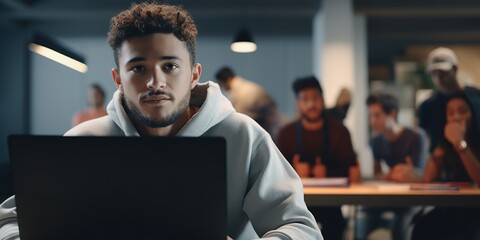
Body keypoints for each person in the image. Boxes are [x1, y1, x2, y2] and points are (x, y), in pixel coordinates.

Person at [0, 3, 322, 240]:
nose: (155, 82)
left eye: (170, 66)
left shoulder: (243, 136)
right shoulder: (83, 141)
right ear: (117, 78)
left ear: (194, 74)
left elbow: (302, 229)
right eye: (138, 68)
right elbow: (10, 221)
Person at [275, 76, 357, 240]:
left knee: (335, 226)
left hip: (333, 203)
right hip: (297, 204)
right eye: (305, 99)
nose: (311, 104)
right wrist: (294, 172)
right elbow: (275, 174)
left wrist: (328, 173)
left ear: (323, 100)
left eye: (315, 98)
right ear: (297, 104)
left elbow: (353, 172)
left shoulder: (339, 131)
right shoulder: (286, 133)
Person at [356, 93, 427, 240]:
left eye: (377, 116)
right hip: (387, 196)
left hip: (410, 199)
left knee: (400, 227)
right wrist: (392, 175)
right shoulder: (377, 141)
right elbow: (378, 174)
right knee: (362, 218)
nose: (372, 121)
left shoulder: (416, 136)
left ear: (392, 114)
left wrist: (410, 174)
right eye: (371, 116)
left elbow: (420, 175)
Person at [411, 93, 480, 240]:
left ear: (473, 113)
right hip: (450, 210)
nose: (456, 117)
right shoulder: (445, 145)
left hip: (475, 212)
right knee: (422, 227)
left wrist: (460, 143)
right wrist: (445, 144)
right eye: (450, 113)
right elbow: (428, 179)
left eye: (462, 112)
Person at [417, 47, 480, 153]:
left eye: (443, 73)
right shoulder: (428, 105)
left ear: (455, 69)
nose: (439, 78)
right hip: (443, 162)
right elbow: (424, 136)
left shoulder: (476, 96)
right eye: (434, 74)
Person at [215, 67, 281, 137]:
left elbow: (239, 115)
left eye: (221, 84)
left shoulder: (244, 92)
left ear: (227, 80)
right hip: (264, 127)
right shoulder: (244, 87)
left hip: (268, 128)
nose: (222, 87)